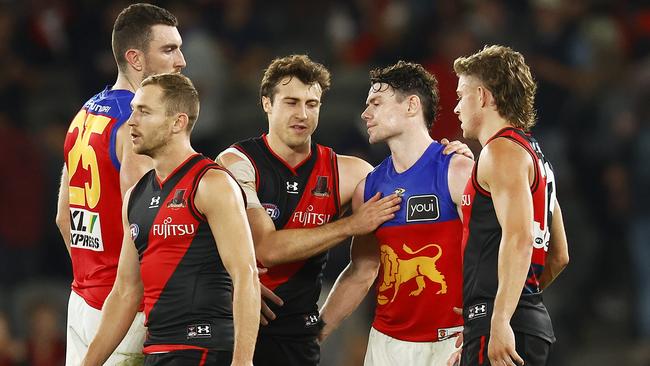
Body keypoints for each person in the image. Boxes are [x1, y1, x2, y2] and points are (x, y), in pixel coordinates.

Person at [216, 54, 472, 366]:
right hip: (238, 325)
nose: (303, 114)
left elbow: (498, 249)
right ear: (267, 103)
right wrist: (352, 225)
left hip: (309, 335)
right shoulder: (238, 162)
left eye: (312, 104)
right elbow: (269, 250)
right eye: (291, 102)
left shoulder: (363, 176)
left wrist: (486, 319)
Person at [82, 73, 260, 365]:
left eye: (144, 112)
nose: (131, 121)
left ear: (178, 122)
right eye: (133, 110)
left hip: (203, 348)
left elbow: (246, 274)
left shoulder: (212, 183)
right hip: (156, 351)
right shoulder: (136, 196)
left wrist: (243, 362)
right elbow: (126, 291)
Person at [54, 3, 186, 364]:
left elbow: (64, 219)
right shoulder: (137, 123)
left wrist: (93, 280)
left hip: (81, 303)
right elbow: (146, 224)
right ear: (136, 59)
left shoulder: (85, 114)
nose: (181, 61)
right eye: (169, 49)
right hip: (126, 312)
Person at [318, 61, 474, 365]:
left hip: (450, 342)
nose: (365, 114)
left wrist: (483, 322)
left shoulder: (456, 169)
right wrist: (315, 333)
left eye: (376, 103)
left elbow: (489, 252)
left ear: (412, 105)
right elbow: (362, 271)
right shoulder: (370, 187)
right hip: (385, 345)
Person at [452, 45, 569, 366]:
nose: (456, 108)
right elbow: (558, 256)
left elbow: (519, 237)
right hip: (526, 319)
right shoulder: (536, 156)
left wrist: (499, 317)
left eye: (461, 96)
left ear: (483, 96)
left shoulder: (500, 152)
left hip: (506, 322)